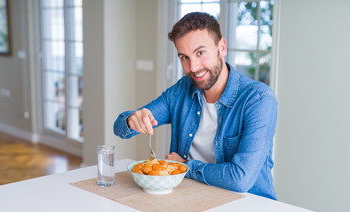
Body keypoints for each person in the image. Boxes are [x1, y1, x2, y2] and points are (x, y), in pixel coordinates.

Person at [114, 12, 277, 200]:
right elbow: (119, 129)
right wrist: (131, 120)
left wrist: (185, 166)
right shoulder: (181, 90)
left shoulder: (258, 100)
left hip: (249, 206)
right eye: (184, 57)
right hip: (191, 199)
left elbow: (239, 179)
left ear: (221, 47)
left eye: (200, 53)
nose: (193, 67)